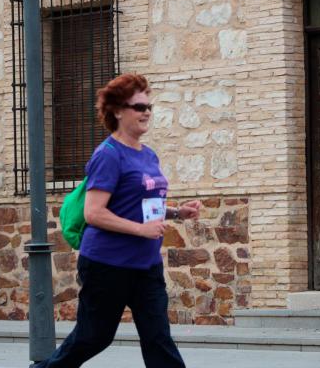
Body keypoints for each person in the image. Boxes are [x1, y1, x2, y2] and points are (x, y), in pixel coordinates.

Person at [32, 73, 200, 368]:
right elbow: (93, 213)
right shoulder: (107, 155)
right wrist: (140, 229)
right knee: (93, 336)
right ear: (118, 111)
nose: (146, 112)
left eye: (149, 107)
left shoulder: (148, 155)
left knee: (158, 338)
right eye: (139, 107)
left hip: (146, 265)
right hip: (107, 264)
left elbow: (145, 205)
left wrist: (176, 212)